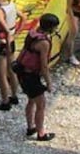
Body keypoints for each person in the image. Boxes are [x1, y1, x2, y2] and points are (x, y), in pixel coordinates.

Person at [14, 13, 59, 141]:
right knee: (41, 104)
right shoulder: (44, 42)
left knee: (31, 100)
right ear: (51, 28)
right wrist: (49, 83)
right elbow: (44, 66)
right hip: (31, 76)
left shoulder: (32, 33)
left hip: (22, 72)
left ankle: (30, 127)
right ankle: (41, 133)